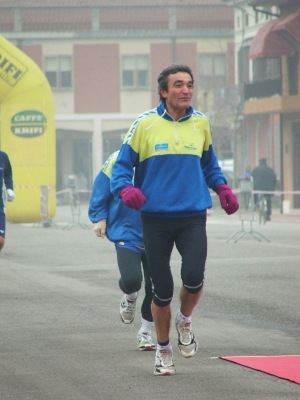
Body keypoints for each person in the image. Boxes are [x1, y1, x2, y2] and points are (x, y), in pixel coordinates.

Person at [110, 64, 239, 375]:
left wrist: (221, 187)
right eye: (178, 85)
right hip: (155, 219)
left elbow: (210, 166)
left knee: (194, 278)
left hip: (193, 215)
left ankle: (185, 319)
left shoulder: (202, 124)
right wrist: (126, 189)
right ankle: (163, 349)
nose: (186, 90)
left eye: (190, 84)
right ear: (163, 91)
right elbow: (121, 168)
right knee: (162, 290)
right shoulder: (145, 124)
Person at [88, 151, 155, 351]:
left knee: (156, 287)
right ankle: (130, 294)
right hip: (127, 231)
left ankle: (145, 330)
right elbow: (101, 187)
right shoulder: (118, 157)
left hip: (157, 230)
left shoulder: (162, 154)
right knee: (133, 279)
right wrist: (100, 217)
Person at [0, 150, 15, 252]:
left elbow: (8, 173)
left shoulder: (3, 156)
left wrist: (9, 188)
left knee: (0, 240)